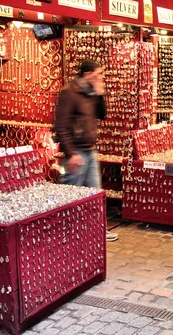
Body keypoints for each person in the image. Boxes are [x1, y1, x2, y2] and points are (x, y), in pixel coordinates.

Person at [54, 59, 118, 242]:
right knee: (70, 194)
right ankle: (63, 232)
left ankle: (99, 231)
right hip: (77, 152)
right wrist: (70, 153)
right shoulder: (70, 93)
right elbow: (61, 126)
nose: (101, 78)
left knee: (95, 193)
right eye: (98, 74)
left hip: (89, 150)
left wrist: (100, 95)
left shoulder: (90, 93)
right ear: (88, 74)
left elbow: (101, 115)